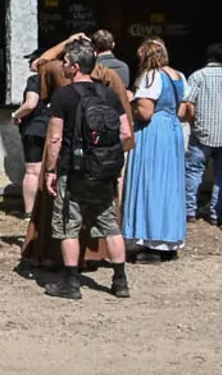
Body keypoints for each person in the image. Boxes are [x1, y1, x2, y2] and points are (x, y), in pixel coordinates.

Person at [21, 32, 135, 266]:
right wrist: (113, 155)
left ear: (73, 64)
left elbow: (38, 63)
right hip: (103, 157)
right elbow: (126, 131)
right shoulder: (111, 80)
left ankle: (66, 268)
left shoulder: (61, 82)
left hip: (69, 156)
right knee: (106, 217)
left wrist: (66, 40)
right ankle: (116, 273)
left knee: (66, 218)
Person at [41, 40, 132, 300]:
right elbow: (125, 132)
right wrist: (106, 156)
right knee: (109, 224)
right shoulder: (109, 94)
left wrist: (50, 169)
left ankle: (71, 283)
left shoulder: (64, 96)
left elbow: (55, 138)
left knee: (69, 224)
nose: (64, 66)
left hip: (74, 170)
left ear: (76, 67)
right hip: (104, 171)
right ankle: (120, 280)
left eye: (66, 63)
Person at [122, 38, 188, 263]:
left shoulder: (150, 77)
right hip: (172, 130)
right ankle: (170, 241)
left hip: (153, 132)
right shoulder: (178, 75)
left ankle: (152, 241)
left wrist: (131, 101)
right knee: (170, 184)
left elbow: (146, 112)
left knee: (151, 182)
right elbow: (183, 110)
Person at [182, 43, 222, 224]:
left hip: (202, 131)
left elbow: (189, 104)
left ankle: (189, 211)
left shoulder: (198, 76)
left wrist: (193, 124)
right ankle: (216, 213)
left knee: (193, 171)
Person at [11, 50, 48, 216]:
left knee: (33, 171)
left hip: (35, 129)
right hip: (57, 129)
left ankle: (30, 211)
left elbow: (30, 104)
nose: (30, 63)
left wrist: (16, 115)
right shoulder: (62, 80)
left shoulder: (35, 80)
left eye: (33, 59)